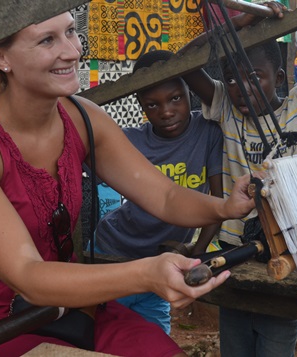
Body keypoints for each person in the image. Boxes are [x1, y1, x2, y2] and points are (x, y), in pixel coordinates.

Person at [0, 10, 257, 357]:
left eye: (70, 32)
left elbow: (166, 196)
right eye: (48, 40)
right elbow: (27, 276)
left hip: (68, 308)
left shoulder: (82, 118)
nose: (73, 51)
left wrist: (226, 207)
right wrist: (145, 273)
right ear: (0, 57)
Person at [180, 3, 297, 356]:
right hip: (234, 249)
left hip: (292, 250)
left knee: (276, 345)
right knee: (235, 344)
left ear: (279, 77)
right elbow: (183, 64)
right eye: (231, 78)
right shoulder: (225, 107)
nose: (240, 89)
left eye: (254, 76)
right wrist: (239, 22)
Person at [95, 49, 224, 334]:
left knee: (155, 339)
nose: (166, 111)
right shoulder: (130, 141)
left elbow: (216, 204)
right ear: (140, 105)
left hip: (161, 263)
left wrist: (197, 254)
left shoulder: (209, 133)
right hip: (112, 254)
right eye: (152, 105)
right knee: (104, 338)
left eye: (175, 98)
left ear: (189, 90)